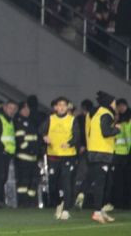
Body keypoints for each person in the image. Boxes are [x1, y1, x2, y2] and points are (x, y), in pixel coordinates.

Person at [82, 91, 117, 224]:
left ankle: (100, 209)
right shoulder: (106, 114)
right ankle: (97, 212)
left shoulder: (97, 113)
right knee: (101, 184)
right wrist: (117, 129)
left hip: (95, 151)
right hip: (101, 153)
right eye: (114, 102)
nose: (115, 104)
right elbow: (106, 132)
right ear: (109, 103)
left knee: (101, 182)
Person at [41, 96, 78, 219]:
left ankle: (66, 209)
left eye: (64, 105)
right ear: (55, 107)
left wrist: (69, 143)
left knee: (66, 182)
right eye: (59, 105)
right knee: (53, 183)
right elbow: (40, 130)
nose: (61, 107)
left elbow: (77, 136)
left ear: (68, 107)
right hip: (53, 155)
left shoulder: (72, 120)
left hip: (68, 155)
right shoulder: (50, 119)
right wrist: (45, 136)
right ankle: (58, 204)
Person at [13, 100, 42, 209]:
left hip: (33, 157)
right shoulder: (19, 121)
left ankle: (31, 201)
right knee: (23, 181)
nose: (27, 110)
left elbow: (35, 138)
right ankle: (23, 202)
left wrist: (37, 150)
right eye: (24, 108)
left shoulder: (30, 121)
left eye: (28, 108)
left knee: (34, 179)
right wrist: (30, 150)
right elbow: (20, 139)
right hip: (23, 157)